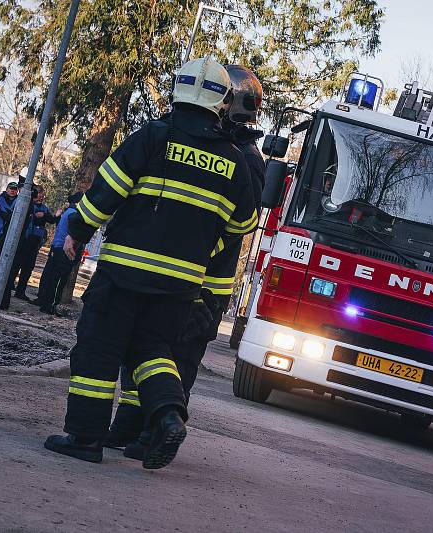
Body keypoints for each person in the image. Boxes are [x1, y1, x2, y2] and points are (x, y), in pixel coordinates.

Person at [44, 56, 258, 469]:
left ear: (179, 92)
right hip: (180, 286)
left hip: (124, 272)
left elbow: (106, 191)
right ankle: (168, 416)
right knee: (153, 351)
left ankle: (85, 438)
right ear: (221, 102)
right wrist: (201, 250)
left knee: (99, 349)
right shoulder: (234, 160)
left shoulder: (153, 138)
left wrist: (78, 232)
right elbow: (242, 224)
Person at [106, 64, 266, 454]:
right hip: (192, 277)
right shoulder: (232, 152)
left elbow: (234, 227)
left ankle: (158, 435)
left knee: (176, 359)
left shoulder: (241, 158)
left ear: (229, 105)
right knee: (148, 354)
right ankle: (130, 427)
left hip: (200, 283)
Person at [9, 184, 60, 301]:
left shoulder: (44, 208)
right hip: (26, 239)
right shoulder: (28, 205)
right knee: (17, 264)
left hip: (36, 241)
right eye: (40, 196)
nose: (41, 199)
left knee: (28, 267)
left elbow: (50, 219)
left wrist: (54, 215)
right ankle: (9, 284)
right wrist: (36, 216)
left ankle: (20, 290)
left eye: (43, 197)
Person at [34, 192, 82, 315]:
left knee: (52, 277)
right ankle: (51, 305)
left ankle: (46, 303)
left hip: (58, 248)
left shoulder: (68, 213)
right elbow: (75, 235)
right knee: (59, 280)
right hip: (64, 250)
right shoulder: (74, 215)